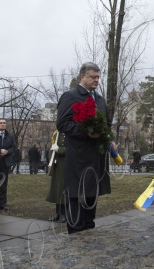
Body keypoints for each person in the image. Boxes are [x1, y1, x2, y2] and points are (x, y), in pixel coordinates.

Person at [57, 63, 114, 235]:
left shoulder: (100, 100)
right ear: (82, 76)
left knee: (91, 194)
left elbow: (107, 124)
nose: (96, 80)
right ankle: (75, 233)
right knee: (77, 195)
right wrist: (87, 133)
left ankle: (89, 231)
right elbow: (63, 124)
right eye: (92, 77)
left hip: (96, 157)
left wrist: (109, 139)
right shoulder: (71, 96)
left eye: (98, 77)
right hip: (79, 157)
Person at [45, 130, 67, 224]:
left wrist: (60, 150)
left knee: (62, 189)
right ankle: (58, 213)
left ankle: (64, 214)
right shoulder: (56, 133)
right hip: (57, 164)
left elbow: (72, 149)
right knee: (57, 189)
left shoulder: (68, 134)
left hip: (65, 164)